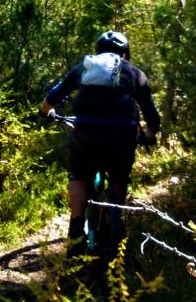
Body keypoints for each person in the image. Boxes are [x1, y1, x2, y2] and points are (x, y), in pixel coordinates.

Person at [39, 30, 161, 246]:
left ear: (98, 52)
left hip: (85, 134)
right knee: (118, 177)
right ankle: (115, 219)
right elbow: (153, 118)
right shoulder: (136, 74)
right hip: (121, 138)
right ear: (125, 54)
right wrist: (146, 135)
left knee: (79, 176)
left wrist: (47, 111)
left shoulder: (83, 68)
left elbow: (53, 96)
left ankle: (77, 225)